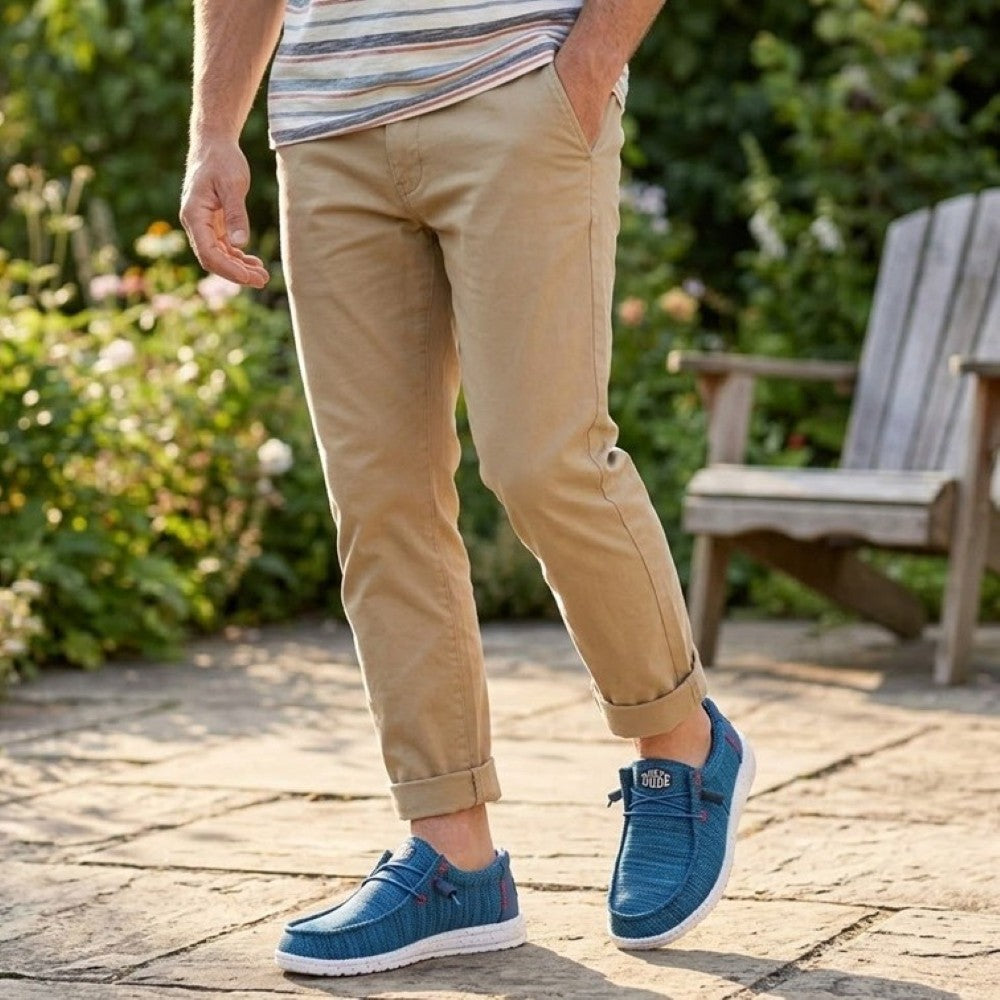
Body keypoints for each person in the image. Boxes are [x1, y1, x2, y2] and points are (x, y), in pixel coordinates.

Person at [181, 0, 756, 978]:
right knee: (379, 498)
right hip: (327, 126)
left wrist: (586, 67)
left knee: (543, 458)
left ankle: (681, 742)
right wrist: (212, 130)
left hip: (514, 86)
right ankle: (453, 853)